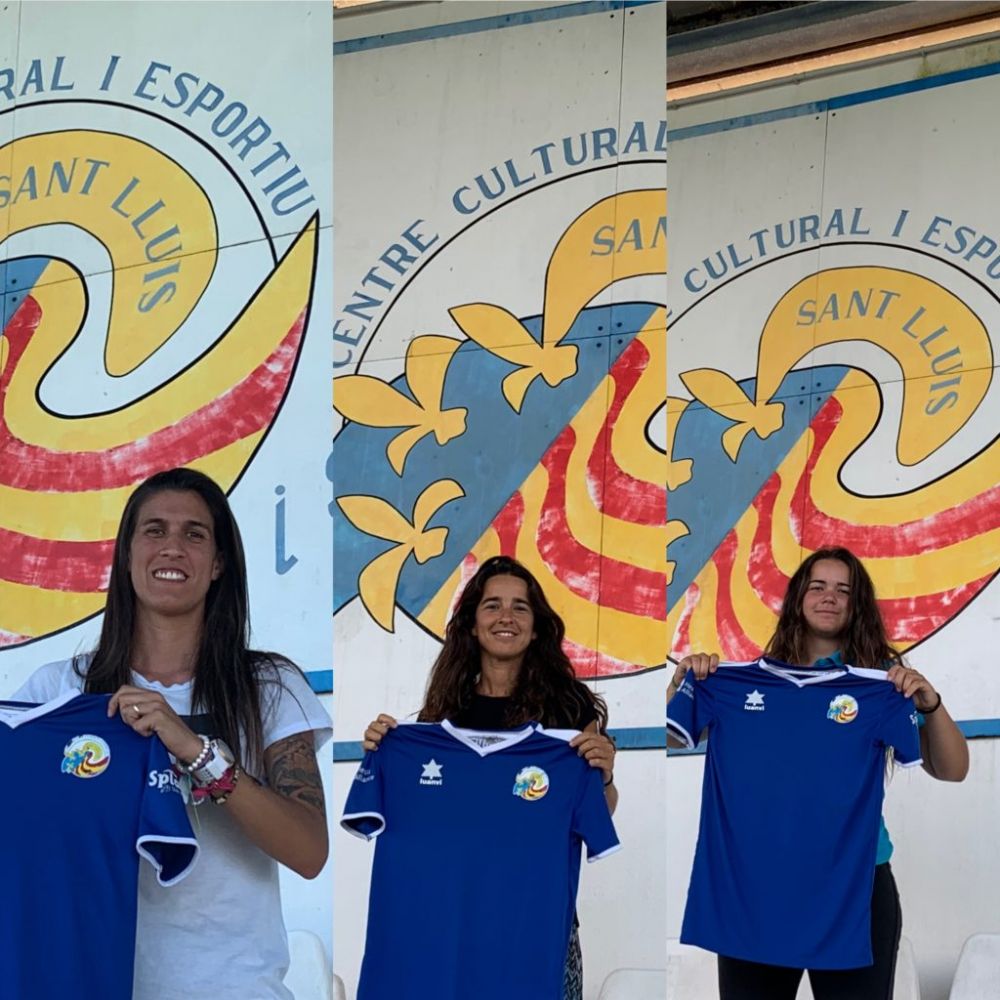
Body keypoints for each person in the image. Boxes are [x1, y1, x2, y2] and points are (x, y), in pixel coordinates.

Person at [13, 467, 332, 1000]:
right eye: (154, 530)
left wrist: (197, 751)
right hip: (89, 981)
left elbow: (308, 851)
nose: (172, 548)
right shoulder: (58, 691)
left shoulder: (270, 685)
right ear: (128, 554)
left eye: (194, 534)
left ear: (218, 563)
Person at [667, 546, 968, 1000]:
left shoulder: (881, 682)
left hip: (855, 890)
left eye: (844, 590)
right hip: (757, 888)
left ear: (857, 603)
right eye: (818, 586)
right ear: (797, 598)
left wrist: (930, 701)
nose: (830, 597)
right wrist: (682, 687)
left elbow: (953, 770)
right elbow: (674, 737)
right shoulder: (739, 682)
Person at [361, 554, 618, 1000]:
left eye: (520, 607)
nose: (506, 616)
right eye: (492, 605)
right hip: (448, 921)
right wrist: (383, 748)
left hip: (533, 924)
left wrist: (605, 776)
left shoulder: (571, 714)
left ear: (536, 626)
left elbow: (596, 813)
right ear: (472, 623)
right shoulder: (438, 720)